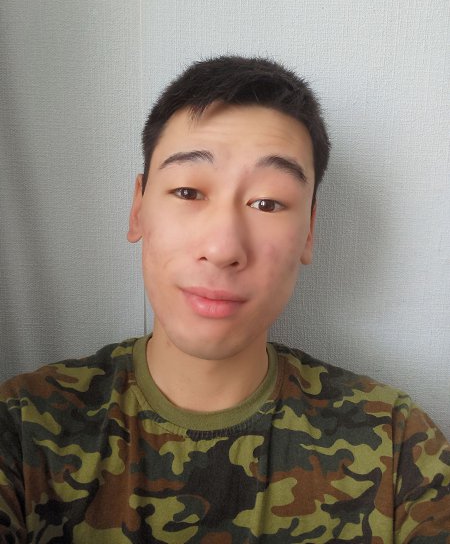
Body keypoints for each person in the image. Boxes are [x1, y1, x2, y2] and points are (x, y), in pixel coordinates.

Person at [0, 56, 449, 543]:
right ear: (138, 208)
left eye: (267, 203)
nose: (222, 248)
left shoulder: (396, 444)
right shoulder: (22, 427)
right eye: (188, 191)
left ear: (309, 230)